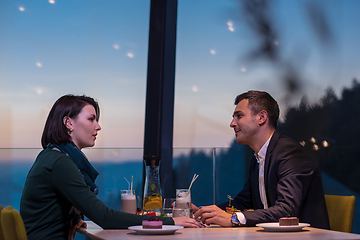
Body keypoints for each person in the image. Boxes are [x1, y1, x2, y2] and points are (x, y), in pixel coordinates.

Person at [20, 94, 202, 240]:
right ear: (69, 123)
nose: (98, 126)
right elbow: (104, 217)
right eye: (91, 119)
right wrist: (168, 221)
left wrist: (73, 219)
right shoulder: (60, 163)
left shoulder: (52, 156)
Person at [194, 90, 330, 229]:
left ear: (262, 117)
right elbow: (243, 202)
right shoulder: (259, 157)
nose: (232, 123)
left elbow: (286, 211)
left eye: (239, 116)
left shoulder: (291, 154)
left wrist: (234, 219)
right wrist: (203, 212)